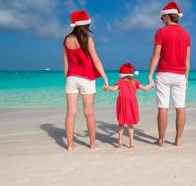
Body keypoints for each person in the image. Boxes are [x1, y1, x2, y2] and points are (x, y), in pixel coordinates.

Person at [63, 10, 108, 151]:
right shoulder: (87, 39)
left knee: (71, 112)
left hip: (71, 78)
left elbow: (65, 63)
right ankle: (92, 143)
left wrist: (69, 77)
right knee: (89, 112)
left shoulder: (66, 40)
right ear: (85, 24)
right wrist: (105, 78)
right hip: (87, 79)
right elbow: (96, 61)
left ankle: (70, 145)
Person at [148, 2, 191, 147]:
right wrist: (187, 76)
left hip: (164, 73)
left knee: (163, 107)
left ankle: (161, 140)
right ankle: (178, 140)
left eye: (162, 17)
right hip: (180, 75)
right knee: (180, 107)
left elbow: (156, 55)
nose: (162, 20)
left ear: (167, 16)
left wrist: (149, 74)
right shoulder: (186, 34)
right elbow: (187, 59)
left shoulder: (161, 32)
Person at [103, 63, 154, 148]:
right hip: (131, 104)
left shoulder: (120, 82)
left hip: (122, 104)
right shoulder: (135, 82)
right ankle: (131, 143)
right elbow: (145, 88)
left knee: (121, 124)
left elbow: (113, 89)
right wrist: (151, 85)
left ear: (122, 75)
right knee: (130, 124)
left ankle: (120, 142)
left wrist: (106, 87)